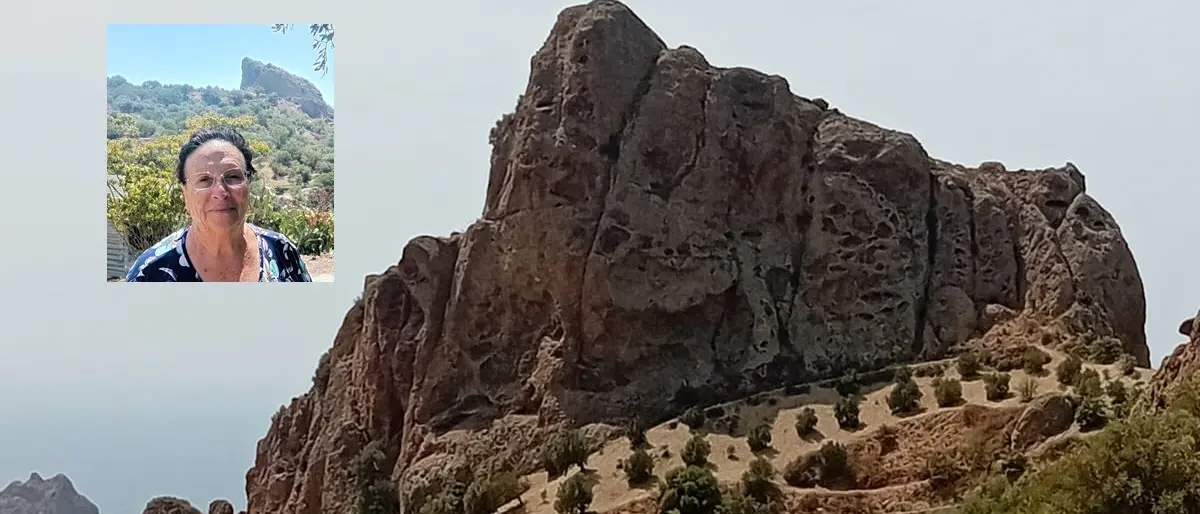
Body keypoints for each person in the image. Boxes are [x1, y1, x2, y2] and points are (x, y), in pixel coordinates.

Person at [125, 126, 312, 282]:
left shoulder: (282, 252)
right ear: (185, 193)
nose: (220, 193)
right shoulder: (149, 273)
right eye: (204, 180)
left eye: (232, 177)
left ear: (249, 185)